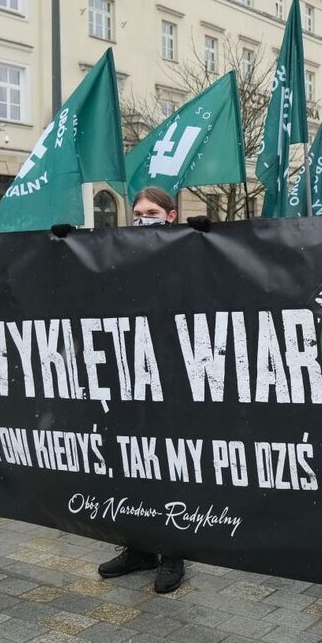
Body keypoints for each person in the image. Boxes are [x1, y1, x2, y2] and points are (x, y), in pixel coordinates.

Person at [96, 186, 208, 594]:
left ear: (171, 215)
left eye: (152, 212)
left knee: (168, 462)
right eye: (138, 212)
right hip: (127, 375)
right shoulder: (120, 251)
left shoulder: (190, 249)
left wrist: (205, 241)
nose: (143, 218)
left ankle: (172, 551)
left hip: (173, 375)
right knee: (129, 460)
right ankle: (137, 545)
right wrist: (62, 247)